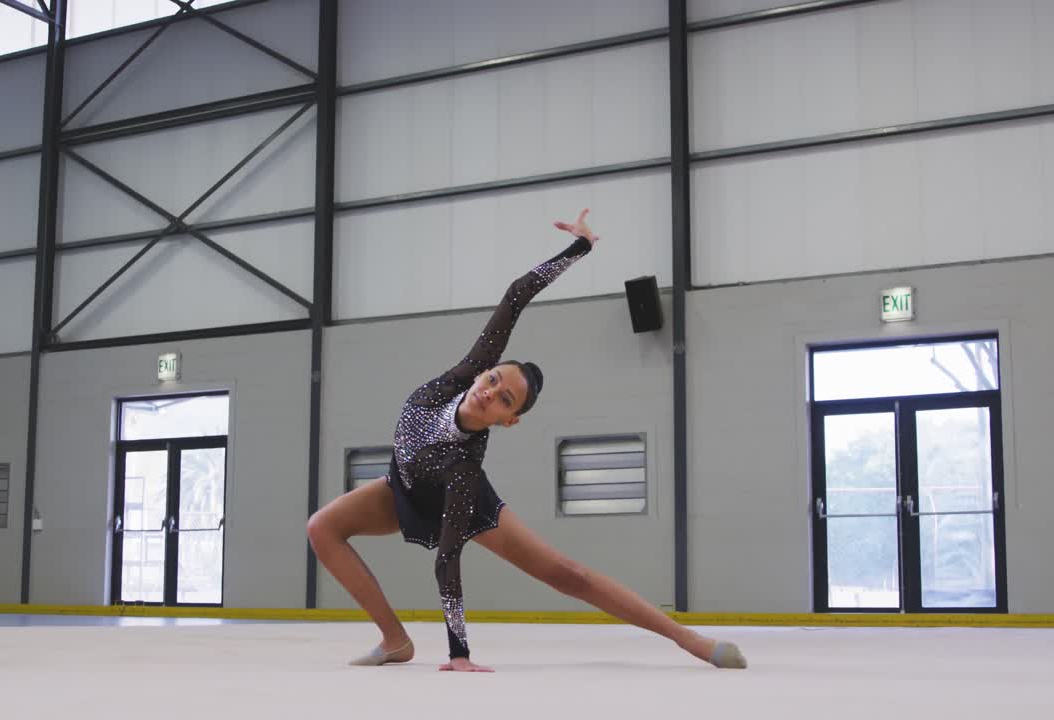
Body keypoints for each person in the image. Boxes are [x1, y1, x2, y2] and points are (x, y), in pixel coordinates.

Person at [306, 210, 746, 672]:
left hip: (460, 503)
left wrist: (459, 653)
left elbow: (448, 556)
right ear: (482, 371)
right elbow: (516, 296)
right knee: (322, 528)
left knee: (567, 576)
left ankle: (688, 640)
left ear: (508, 421)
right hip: (402, 486)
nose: (490, 391)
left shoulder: (463, 470)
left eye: (505, 399)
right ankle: (395, 640)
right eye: (494, 379)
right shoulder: (452, 383)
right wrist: (579, 248)